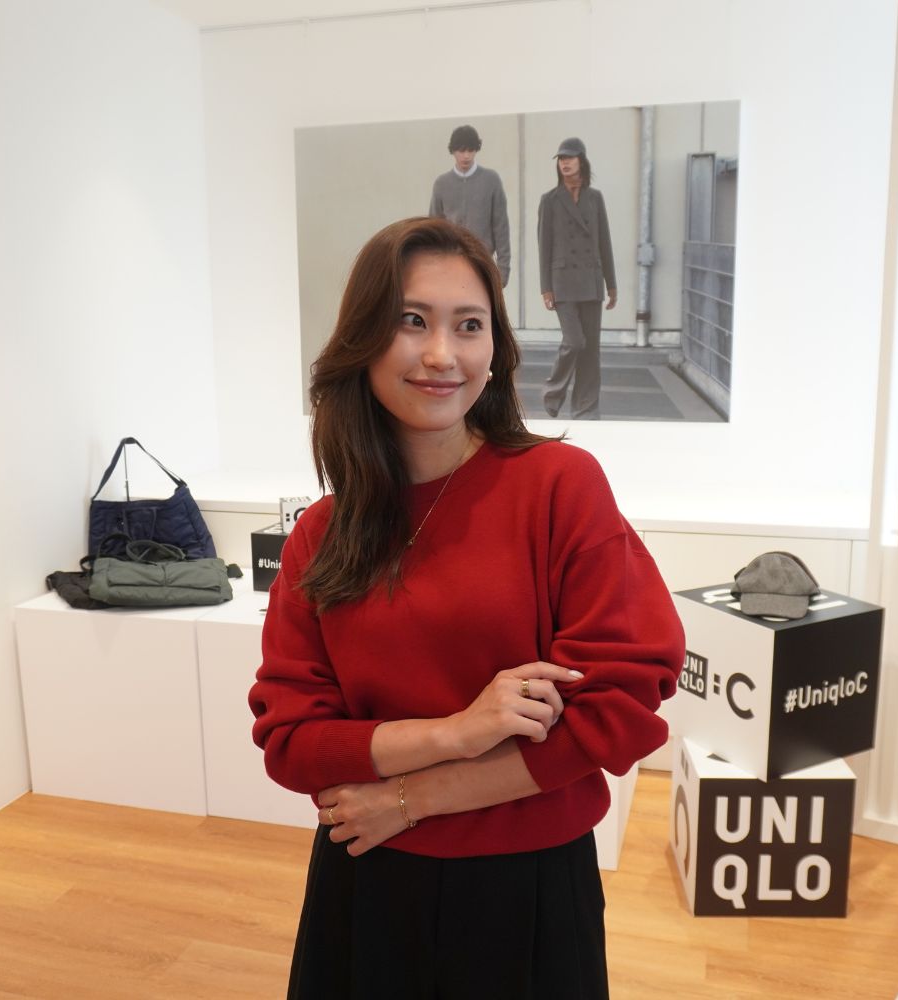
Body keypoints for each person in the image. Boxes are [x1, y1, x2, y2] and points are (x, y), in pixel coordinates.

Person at [248, 216, 683, 999]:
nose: (442, 354)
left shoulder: (558, 486)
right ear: (363, 340)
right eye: (412, 321)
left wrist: (410, 799)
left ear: (496, 349)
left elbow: (618, 705)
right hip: (367, 881)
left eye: (469, 325)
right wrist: (458, 731)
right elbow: (292, 742)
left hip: (526, 889)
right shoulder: (322, 534)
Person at [538, 137, 617, 420]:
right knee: (574, 341)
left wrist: (611, 283)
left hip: (591, 281)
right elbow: (544, 245)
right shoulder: (550, 200)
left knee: (590, 350)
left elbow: (604, 242)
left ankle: (586, 407)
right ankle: (553, 391)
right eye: (561, 159)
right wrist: (546, 287)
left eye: (570, 158)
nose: (565, 163)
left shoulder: (595, 198)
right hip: (563, 282)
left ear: (581, 161)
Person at [429, 124, 512, 286]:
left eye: (471, 150)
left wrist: (502, 273)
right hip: (450, 266)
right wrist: (435, 269)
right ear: (453, 151)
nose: (466, 156)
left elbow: (501, 229)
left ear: (476, 150)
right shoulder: (441, 184)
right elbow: (433, 228)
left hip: (482, 265)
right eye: (461, 150)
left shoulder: (491, 180)